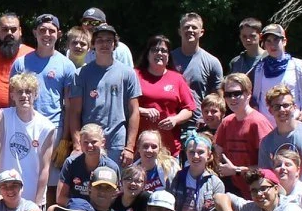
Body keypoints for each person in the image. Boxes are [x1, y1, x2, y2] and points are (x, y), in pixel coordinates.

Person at [68, 22, 141, 163]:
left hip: (116, 143)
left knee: (114, 183)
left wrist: (130, 147)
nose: (104, 44)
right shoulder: (80, 74)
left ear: (115, 44)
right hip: (89, 143)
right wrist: (77, 145)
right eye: (100, 40)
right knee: (89, 184)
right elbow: (75, 112)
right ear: (93, 44)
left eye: (109, 40)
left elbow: (134, 111)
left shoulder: (128, 73)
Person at [247, 22, 302, 125]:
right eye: (268, 41)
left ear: (284, 42)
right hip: (265, 130)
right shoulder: (257, 69)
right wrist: (253, 106)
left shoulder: (300, 67)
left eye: (276, 40)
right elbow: (243, 91)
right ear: (264, 45)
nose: (272, 45)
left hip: (294, 127)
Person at [10, 13, 78, 136]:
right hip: (23, 126)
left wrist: (65, 138)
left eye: (51, 31)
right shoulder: (21, 63)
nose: (47, 34)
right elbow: (12, 101)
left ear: (58, 34)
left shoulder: (67, 66)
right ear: (35, 33)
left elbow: (69, 107)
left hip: (53, 127)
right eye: (42, 30)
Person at [0, 71, 58, 208]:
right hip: (4, 193)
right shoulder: (3, 116)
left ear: (35, 94)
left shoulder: (47, 127)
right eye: (19, 92)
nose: (24, 96)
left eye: (28, 91)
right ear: (12, 95)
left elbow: (45, 168)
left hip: (31, 196)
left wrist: (36, 203)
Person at [135, 35, 199, 156]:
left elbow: (189, 109)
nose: (159, 53)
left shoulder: (177, 78)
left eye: (164, 51)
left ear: (169, 56)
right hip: (141, 147)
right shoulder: (135, 75)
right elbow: (123, 104)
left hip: (169, 147)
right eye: (154, 50)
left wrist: (175, 119)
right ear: (147, 54)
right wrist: (143, 111)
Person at [256, 83, 302, 185]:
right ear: (270, 110)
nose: (282, 110)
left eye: (286, 105)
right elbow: (265, 176)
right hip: (282, 197)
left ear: (294, 107)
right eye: (277, 107)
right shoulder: (266, 142)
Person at [211, 72, 268, 187]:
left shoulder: (258, 123)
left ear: (248, 94)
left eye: (237, 93)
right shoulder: (227, 122)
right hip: (233, 187)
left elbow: (268, 166)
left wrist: (236, 170)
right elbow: (215, 153)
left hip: (258, 189)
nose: (232, 98)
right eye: (227, 94)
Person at [173, 12, 225, 100]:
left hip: (199, 113)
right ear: (179, 31)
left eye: (194, 27)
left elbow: (218, 99)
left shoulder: (212, 62)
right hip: (172, 113)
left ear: (201, 32)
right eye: (186, 27)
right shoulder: (168, 59)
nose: (190, 30)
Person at [56, 123, 109, 206]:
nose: (90, 146)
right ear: (80, 143)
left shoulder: (110, 167)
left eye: (94, 142)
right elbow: (60, 198)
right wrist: (83, 208)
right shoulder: (71, 163)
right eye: (85, 142)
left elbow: (113, 199)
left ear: (103, 142)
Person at [125, 128, 174, 197]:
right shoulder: (129, 173)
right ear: (138, 148)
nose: (149, 150)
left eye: (154, 147)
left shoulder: (169, 168)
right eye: (145, 146)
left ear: (159, 149)